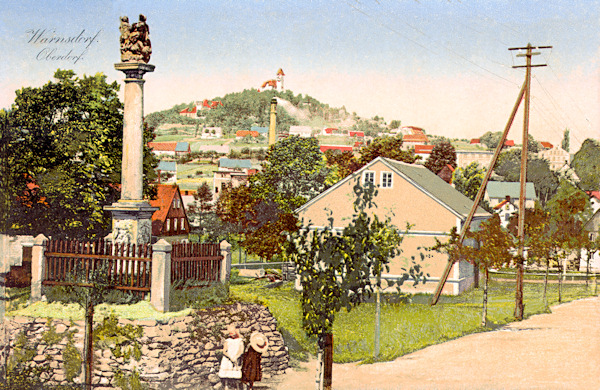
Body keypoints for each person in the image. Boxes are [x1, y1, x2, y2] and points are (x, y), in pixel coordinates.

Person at [219, 324, 245, 390]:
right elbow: (224, 351)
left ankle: (237, 387)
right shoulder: (227, 341)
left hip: (236, 358)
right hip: (228, 358)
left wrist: (236, 357)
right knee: (226, 372)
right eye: (231, 334)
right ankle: (226, 385)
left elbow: (241, 351)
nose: (232, 335)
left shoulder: (240, 341)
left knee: (236, 373)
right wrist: (230, 357)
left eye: (233, 333)